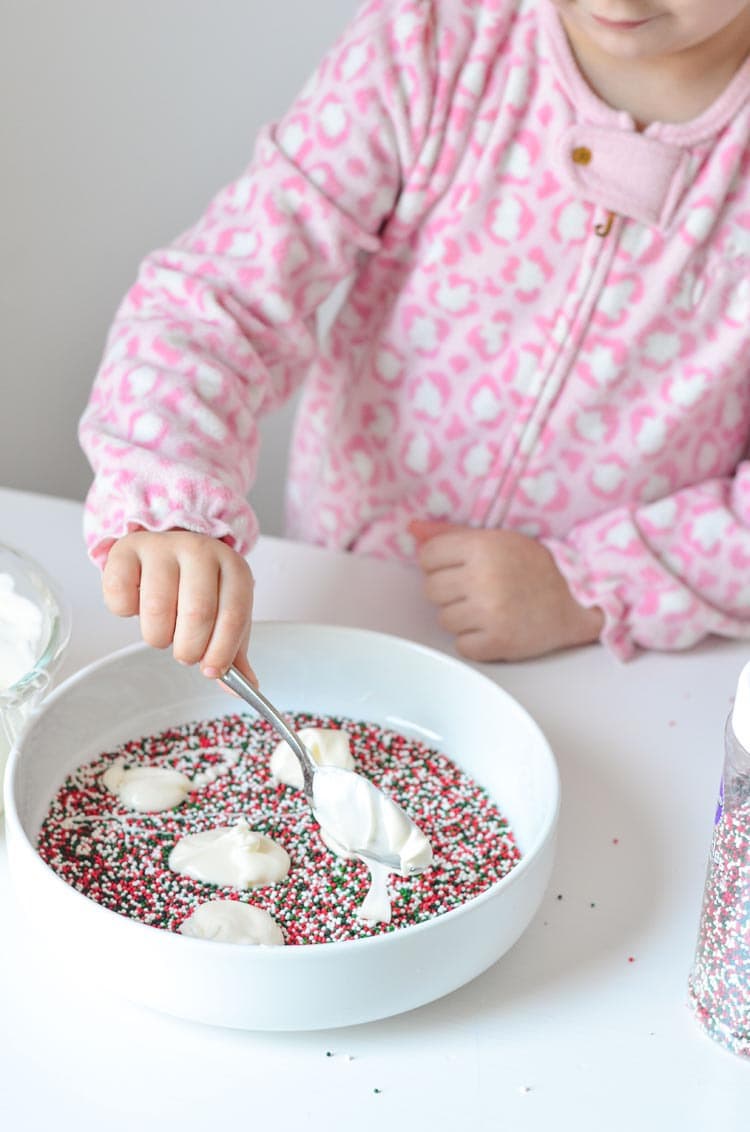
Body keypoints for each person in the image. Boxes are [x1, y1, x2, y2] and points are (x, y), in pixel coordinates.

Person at [79, 0, 750, 681]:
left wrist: (589, 584)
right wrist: (169, 493)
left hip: (617, 660)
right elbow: (223, 297)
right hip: (349, 595)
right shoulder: (427, 42)